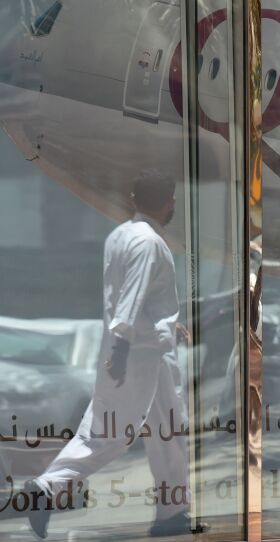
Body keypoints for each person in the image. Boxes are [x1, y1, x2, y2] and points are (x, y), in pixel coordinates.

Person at [24, 171, 201, 539]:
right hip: (135, 354)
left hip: (149, 350)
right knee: (111, 434)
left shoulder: (121, 235)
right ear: (170, 202)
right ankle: (47, 489)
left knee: (168, 430)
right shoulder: (148, 242)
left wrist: (168, 325)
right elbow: (130, 299)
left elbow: (134, 298)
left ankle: (173, 513)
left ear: (133, 199)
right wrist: (121, 349)